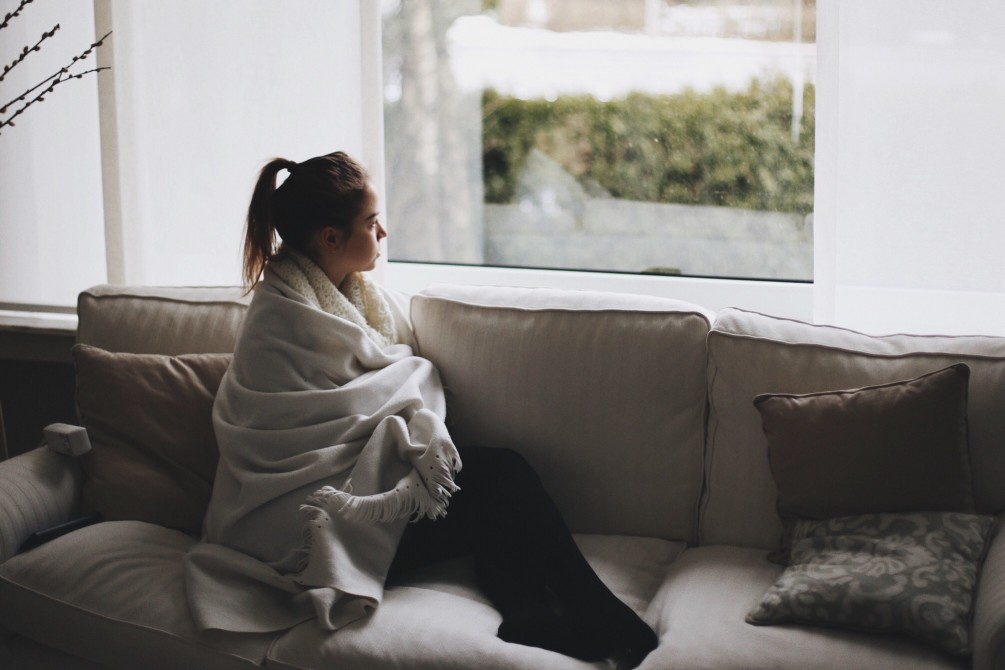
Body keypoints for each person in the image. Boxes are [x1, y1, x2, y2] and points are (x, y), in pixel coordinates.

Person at [184, 151, 657, 666]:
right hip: (303, 526)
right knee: (501, 475)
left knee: (491, 495)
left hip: (357, 494)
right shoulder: (284, 319)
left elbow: (375, 389)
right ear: (331, 238)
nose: (383, 232)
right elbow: (309, 426)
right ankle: (601, 617)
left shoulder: (353, 299)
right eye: (371, 222)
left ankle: (533, 615)